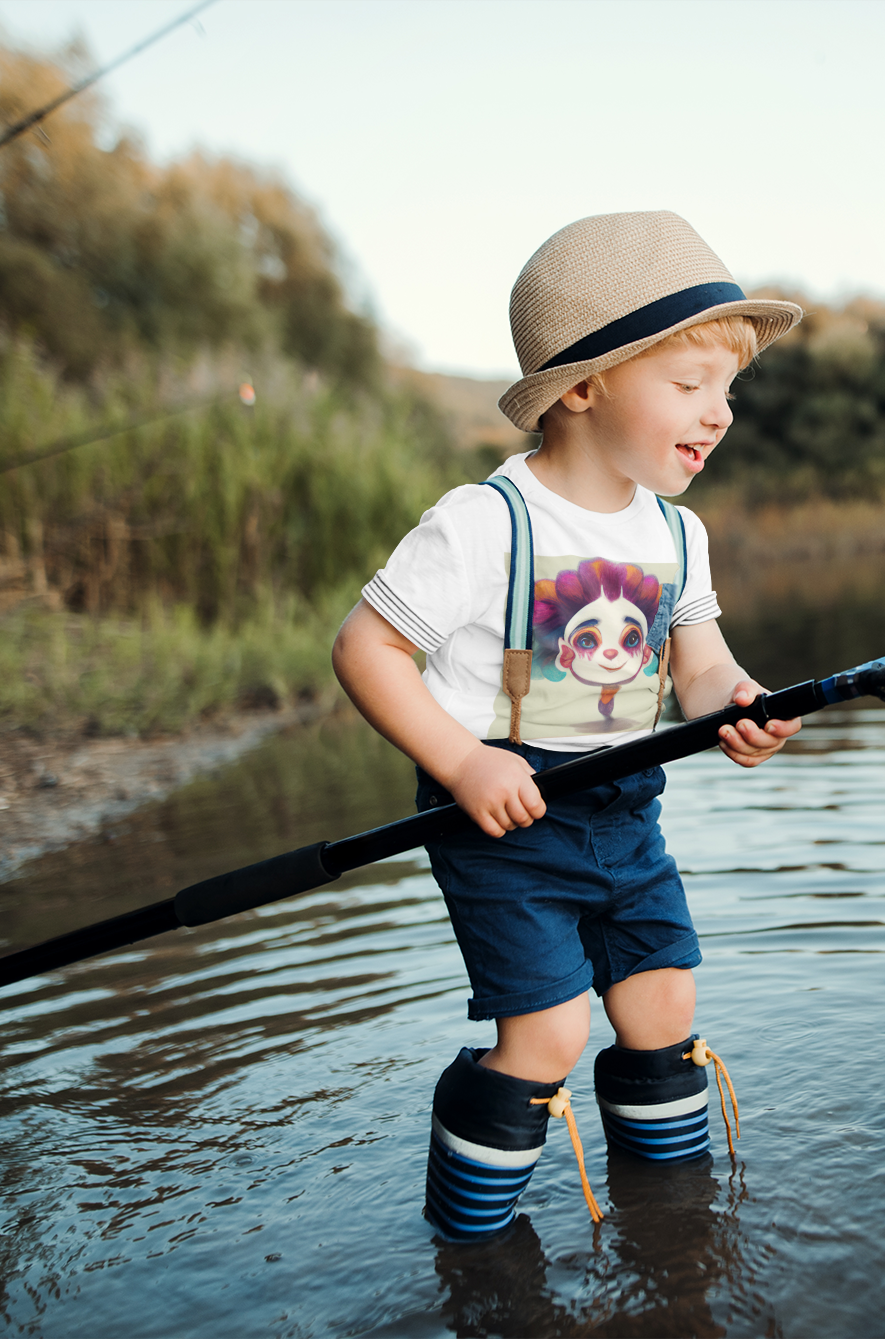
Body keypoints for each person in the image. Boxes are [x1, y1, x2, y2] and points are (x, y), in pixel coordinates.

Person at [331, 212, 804, 1241]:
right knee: (543, 1034)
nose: (718, 414)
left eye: (727, 390)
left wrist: (732, 700)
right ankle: (471, 1245)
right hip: (504, 820)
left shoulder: (680, 534)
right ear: (583, 386)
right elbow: (365, 650)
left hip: (625, 809)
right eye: (689, 386)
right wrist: (461, 758)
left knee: (663, 1009)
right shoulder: (483, 523)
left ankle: (672, 1229)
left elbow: (700, 661)